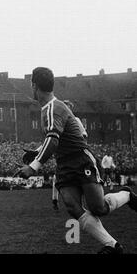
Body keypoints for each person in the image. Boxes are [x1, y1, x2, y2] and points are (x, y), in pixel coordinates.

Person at [16, 67, 137, 254]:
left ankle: (127, 195)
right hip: (64, 163)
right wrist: (37, 151)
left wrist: (34, 166)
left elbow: (53, 139)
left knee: (99, 208)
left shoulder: (53, 107)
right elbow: (54, 138)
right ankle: (113, 246)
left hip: (81, 159)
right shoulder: (50, 108)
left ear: (34, 85)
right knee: (73, 206)